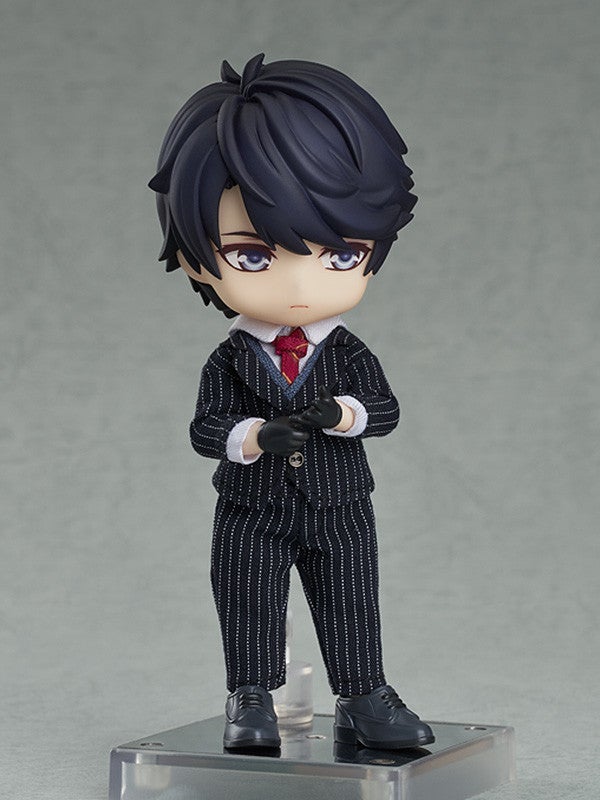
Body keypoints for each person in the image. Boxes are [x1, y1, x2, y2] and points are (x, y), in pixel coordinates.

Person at [149, 53, 434, 751]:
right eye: (252, 255)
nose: (301, 287)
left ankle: (365, 696)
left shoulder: (348, 353)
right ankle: (250, 699)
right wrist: (254, 435)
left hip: (340, 501)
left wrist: (343, 415)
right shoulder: (229, 358)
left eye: (341, 255)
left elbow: (385, 410)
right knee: (247, 601)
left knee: (351, 601)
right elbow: (205, 428)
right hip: (251, 507)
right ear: (194, 258)